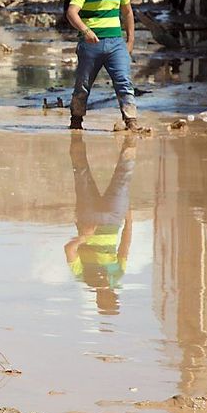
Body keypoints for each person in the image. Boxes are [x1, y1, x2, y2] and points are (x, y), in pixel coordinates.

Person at [65, 0, 138, 131]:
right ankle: (76, 121)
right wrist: (85, 31)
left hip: (116, 43)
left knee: (124, 81)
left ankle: (131, 121)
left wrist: (130, 41)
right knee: (83, 84)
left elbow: (127, 13)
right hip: (90, 45)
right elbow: (71, 12)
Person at [64, 135, 135, 316]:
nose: (109, 296)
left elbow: (69, 250)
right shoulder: (116, 276)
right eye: (112, 299)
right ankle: (129, 142)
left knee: (83, 176)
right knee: (122, 180)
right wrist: (129, 220)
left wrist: (84, 238)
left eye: (108, 300)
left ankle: (76, 137)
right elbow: (125, 246)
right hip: (112, 219)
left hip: (90, 220)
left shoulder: (84, 277)